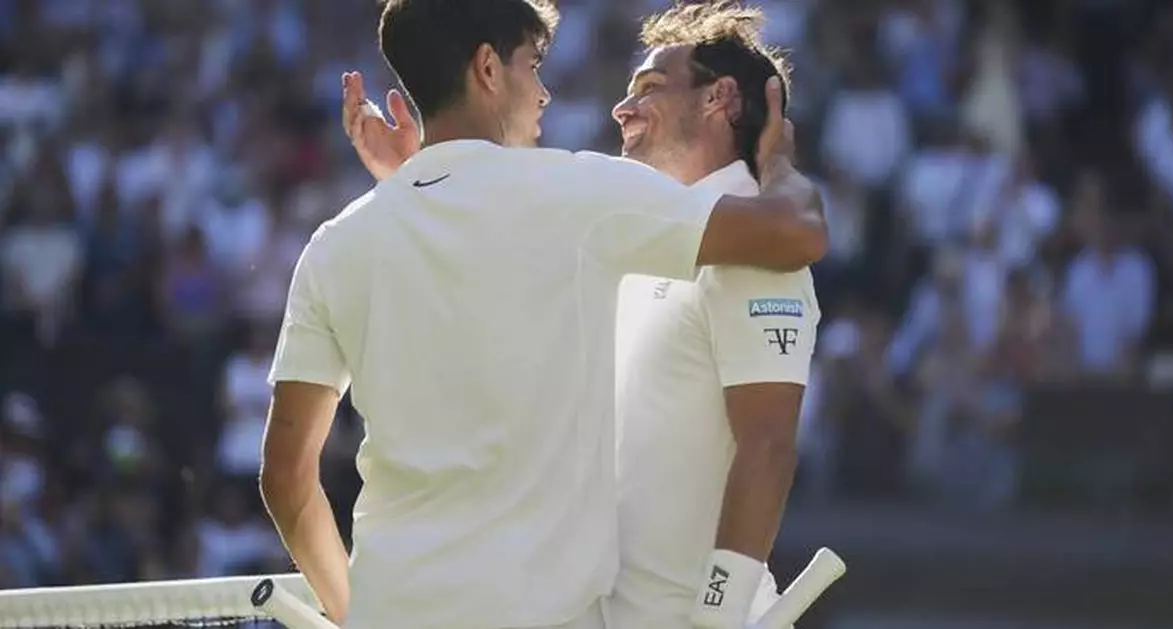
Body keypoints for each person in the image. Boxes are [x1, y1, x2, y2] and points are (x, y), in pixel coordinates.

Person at [260, 3, 826, 629]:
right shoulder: (584, 203)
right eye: (532, 65)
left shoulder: (339, 242)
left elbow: (285, 478)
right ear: (487, 68)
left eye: (650, 88)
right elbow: (794, 231)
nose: (547, 90)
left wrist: (350, 610)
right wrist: (779, 159)